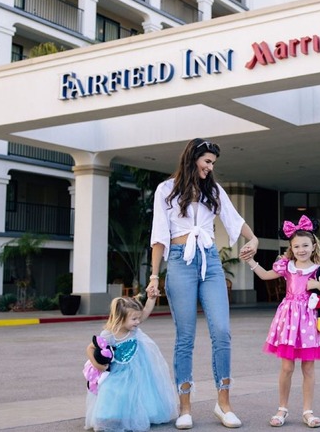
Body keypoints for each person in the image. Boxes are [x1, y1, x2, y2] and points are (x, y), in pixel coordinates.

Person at [147, 138, 259, 429]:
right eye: (207, 161)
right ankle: (185, 407)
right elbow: (158, 235)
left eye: (213, 163)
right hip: (180, 261)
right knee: (185, 337)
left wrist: (253, 239)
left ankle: (224, 404)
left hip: (209, 263)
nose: (210, 168)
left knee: (222, 331)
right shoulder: (165, 190)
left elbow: (234, 220)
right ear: (192, 158)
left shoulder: (214, 190)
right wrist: (154, 276)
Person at [243, 215, 320, 428]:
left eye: (305, 245)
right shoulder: (286, 266)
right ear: (291, 248)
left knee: (309, 368)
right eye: (297, 246)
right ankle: (282, 408)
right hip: (289, 319)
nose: (301, 249)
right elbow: (267, 275)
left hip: (310, 321)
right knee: (286, 367)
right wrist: (251, 262)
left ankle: (307, 411)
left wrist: (318, 286)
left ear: (313, 245)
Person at [84, 294, 178, 432]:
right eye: (134, 319)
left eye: (138, 318)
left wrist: (151, 299)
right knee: (113, 391)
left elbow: (145, 312)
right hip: (117, 371)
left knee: (139, 391)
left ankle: (141, 415)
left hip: (138, 368)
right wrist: (97, 365)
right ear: (120, 319)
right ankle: (108, 416)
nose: (138, 322)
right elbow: (90, 348)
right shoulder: (109, 334)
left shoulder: (133, 329)